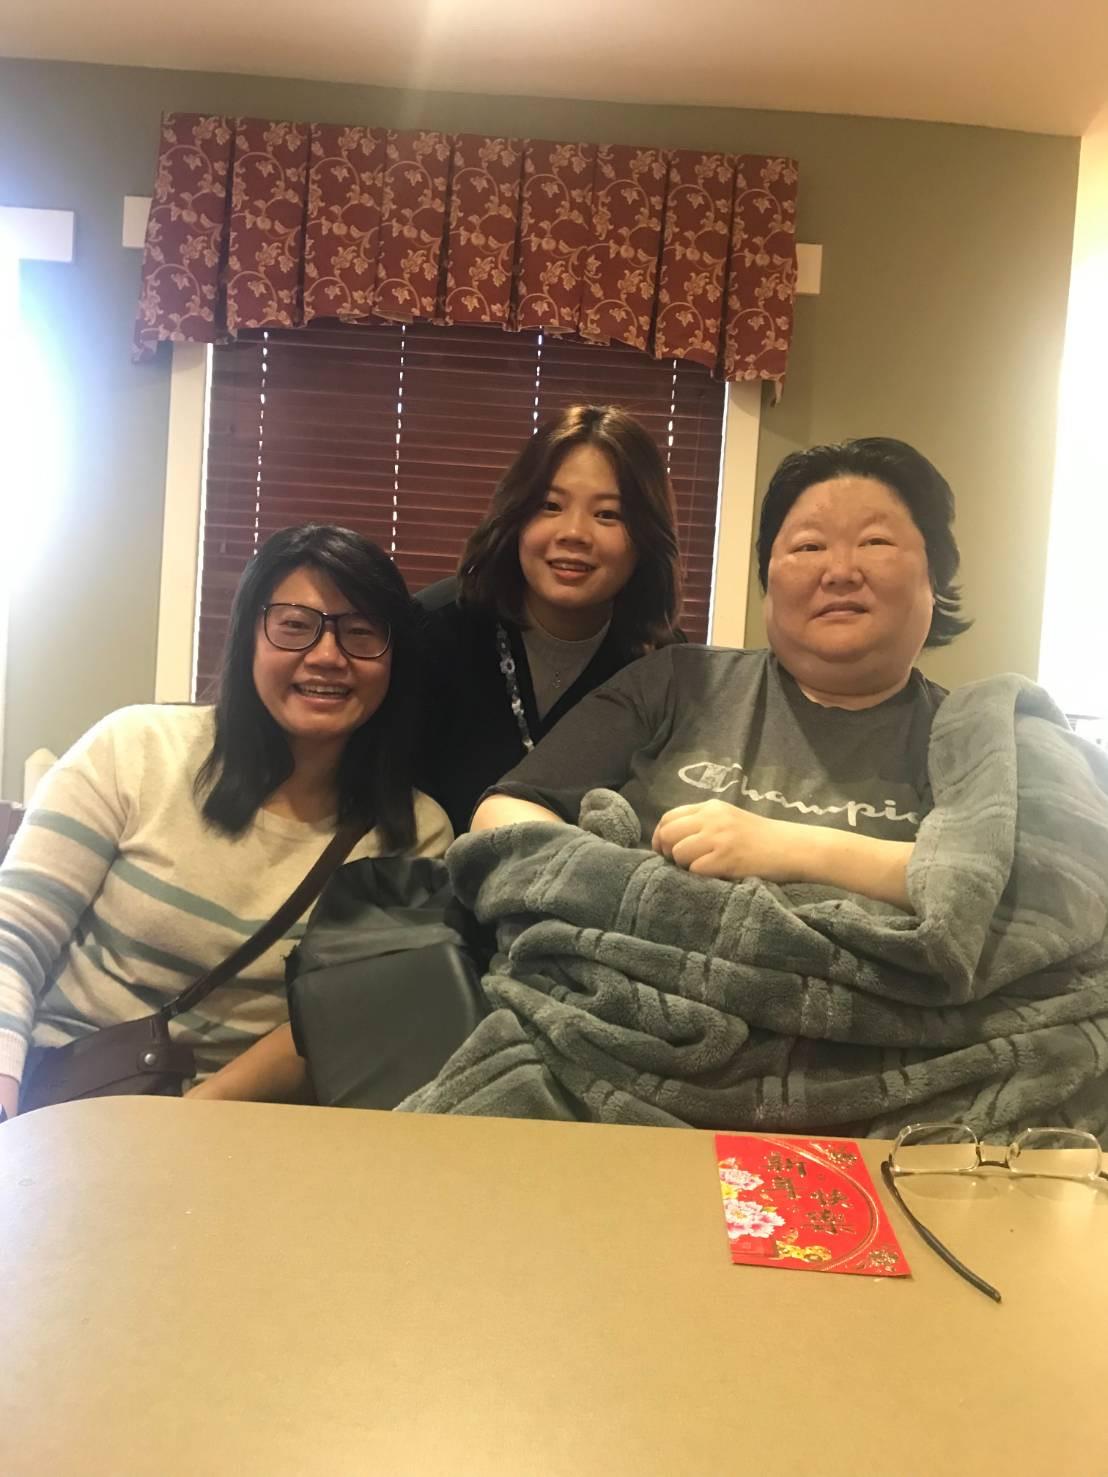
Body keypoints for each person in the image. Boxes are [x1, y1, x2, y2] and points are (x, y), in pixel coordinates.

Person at [0, 525, 451, 1116]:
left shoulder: (416, 834)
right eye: (295, 625)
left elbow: (345, 1020)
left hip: (238, 1135)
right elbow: (14, 935)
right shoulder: (133, 750)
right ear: (249, 638)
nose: (326, 656)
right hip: (62, 1104)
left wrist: (186, 1121)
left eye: (361, 632)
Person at [472, 436, 974, 912]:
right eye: (808, 547)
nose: (840, 571)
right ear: (768, 580)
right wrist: (627, 893)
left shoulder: (972, 737)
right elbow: (504, 812)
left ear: (935, 573)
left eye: (875, 541)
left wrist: (784, 847)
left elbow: (1003, 893)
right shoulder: (678, 680)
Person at [417, 404, 683, 834]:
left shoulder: (662, 670)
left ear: (646, 537)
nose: (574, 533)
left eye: (608, 514)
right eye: (550, 505)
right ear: (516, 516)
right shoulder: (435, 630)